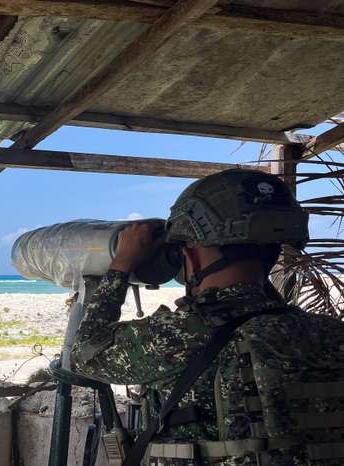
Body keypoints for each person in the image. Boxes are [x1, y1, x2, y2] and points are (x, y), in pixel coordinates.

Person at [70, 169, 344, 465]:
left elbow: (85, 354)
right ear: (272, 254)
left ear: (191, 256)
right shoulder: (329, 333)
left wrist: (121, 265)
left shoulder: (181, 336)